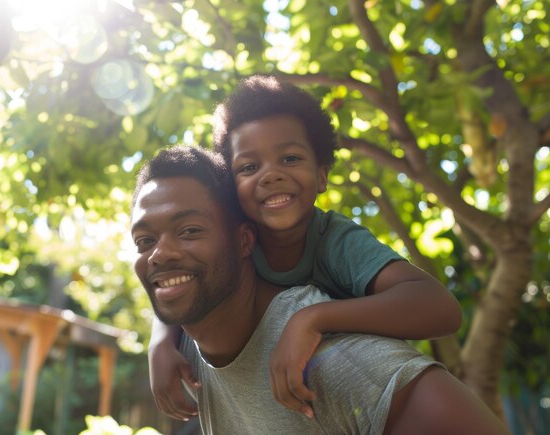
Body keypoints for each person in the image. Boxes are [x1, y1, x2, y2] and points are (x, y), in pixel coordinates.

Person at [130, 146, 508, 434]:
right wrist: (159, 341)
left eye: (190, 231)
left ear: (245, 240)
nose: (160, 255)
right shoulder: (187, 355)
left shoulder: (337, 360)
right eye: (145, 241)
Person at [149, 76, 463, 421]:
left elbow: (441, 308)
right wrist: (161, 342)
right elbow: (181, 274)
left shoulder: (335, 239)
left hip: (356, 395)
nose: (271, 175)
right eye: (249, 167)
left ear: (322, 175)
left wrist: (312, 320)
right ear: (233, 190)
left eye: (290, 158)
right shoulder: (235, 243)